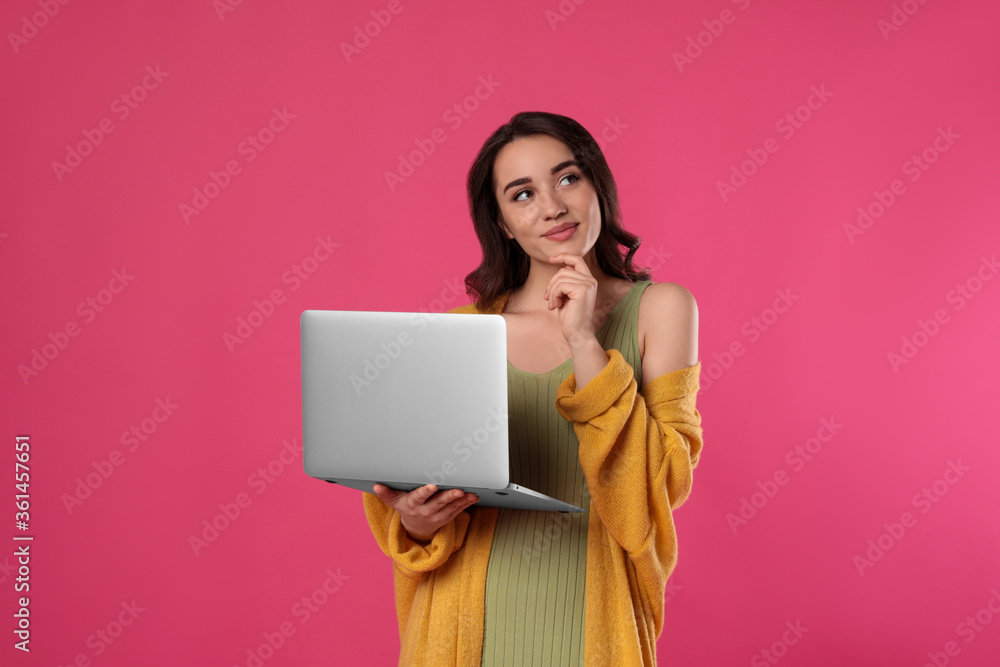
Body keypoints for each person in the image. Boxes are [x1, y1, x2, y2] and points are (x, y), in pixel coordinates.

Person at [363, 111, 704, 666]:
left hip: (591, 627)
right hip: (461, 631)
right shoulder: (457, 332)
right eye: (522, 194)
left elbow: (654, 493)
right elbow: (410, 501)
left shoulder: (661, 309)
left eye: (568, 178)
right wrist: (416, 522)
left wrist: (585, 342)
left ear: (598, 185)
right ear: (500, 222)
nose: (551, 206)